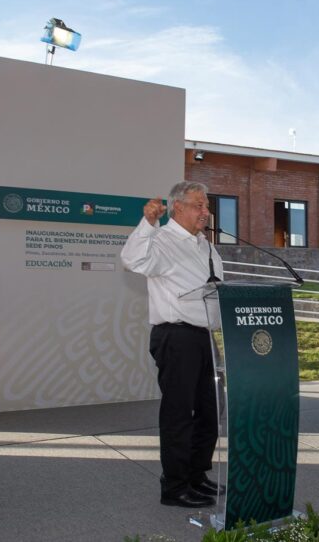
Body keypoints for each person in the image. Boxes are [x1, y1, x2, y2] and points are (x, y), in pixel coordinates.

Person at [121, 181, 225, 508]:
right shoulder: (162, 240)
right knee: (180, 414)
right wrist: (148, 223)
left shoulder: (205, 245)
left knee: (210, 411)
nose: (205, 212)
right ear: (178, 207)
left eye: (206, 206)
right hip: (176, 336)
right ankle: (175, 486)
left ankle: (196, 475)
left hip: (205, 337)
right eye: (199, 205)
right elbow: (133, 259)